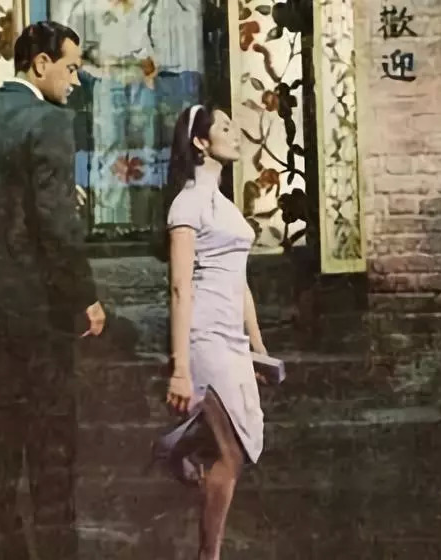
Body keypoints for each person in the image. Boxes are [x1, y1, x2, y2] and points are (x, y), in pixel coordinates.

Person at [0, 21, 106, 560]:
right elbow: (56, 224)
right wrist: (85, 297)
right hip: (39, 312)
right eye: (71, 68)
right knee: (50, 452)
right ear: (41, 64)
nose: (76, 81)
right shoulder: (50, 122)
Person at [151, 104, 267, 560]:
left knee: (244, 438)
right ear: (200, 142)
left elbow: (241, 282)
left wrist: (258, 346)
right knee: (232, 453)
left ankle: (175, 445)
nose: (235, 134)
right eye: (224, 128)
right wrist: (180, 368)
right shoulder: (187, 205)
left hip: (233, 338)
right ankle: (209, 555)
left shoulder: (226, 207)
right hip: (204, 336)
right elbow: (180, 287)